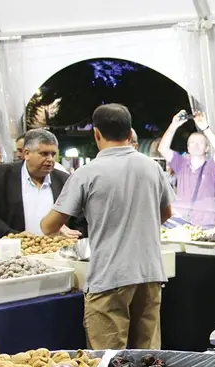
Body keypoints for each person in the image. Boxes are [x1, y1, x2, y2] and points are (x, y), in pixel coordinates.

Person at [41, 104, 173, 350]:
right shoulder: (152, 167)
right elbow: (166, 213)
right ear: (130, 132)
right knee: (148, 363)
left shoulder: (87, 173)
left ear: (97, 134)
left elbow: (49, 226)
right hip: (150, 273)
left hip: (109, 276)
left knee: (109, 363)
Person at [0, 129, 81, 239]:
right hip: (12, 250)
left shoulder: (65, 180)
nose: (50, 159)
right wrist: (15, 236)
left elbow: (78, 217)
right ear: (26, 153)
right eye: (44, 154)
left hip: (56, 252)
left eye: (53, 154)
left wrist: (71, 233)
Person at [158, 109, 215, 226]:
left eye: (200, 143)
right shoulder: (181, 164)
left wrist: (205, 128)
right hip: (182, 222)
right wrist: (173, 125)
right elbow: (162, 149)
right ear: (188, 148)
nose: (196, 145)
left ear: (207, 148)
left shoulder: (211, 166)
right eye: (192, 142)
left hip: (206, 223)